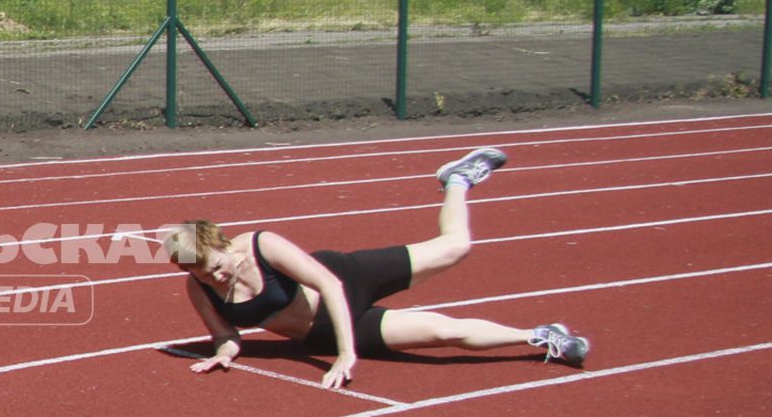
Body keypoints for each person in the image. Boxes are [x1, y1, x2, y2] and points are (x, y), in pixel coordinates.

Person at [162, 147, 589, 389]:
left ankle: (457, 180)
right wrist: (224, 351)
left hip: (348, 280)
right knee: (444, 333)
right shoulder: (198, 288)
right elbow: (226, 334)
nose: (214, 277)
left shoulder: (262, 244)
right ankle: (541, 336)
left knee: (457, 247)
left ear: (221, 243)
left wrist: (347, 356)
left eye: (215, 266)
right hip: (323, 331)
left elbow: (328, 284)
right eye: (202, 274)